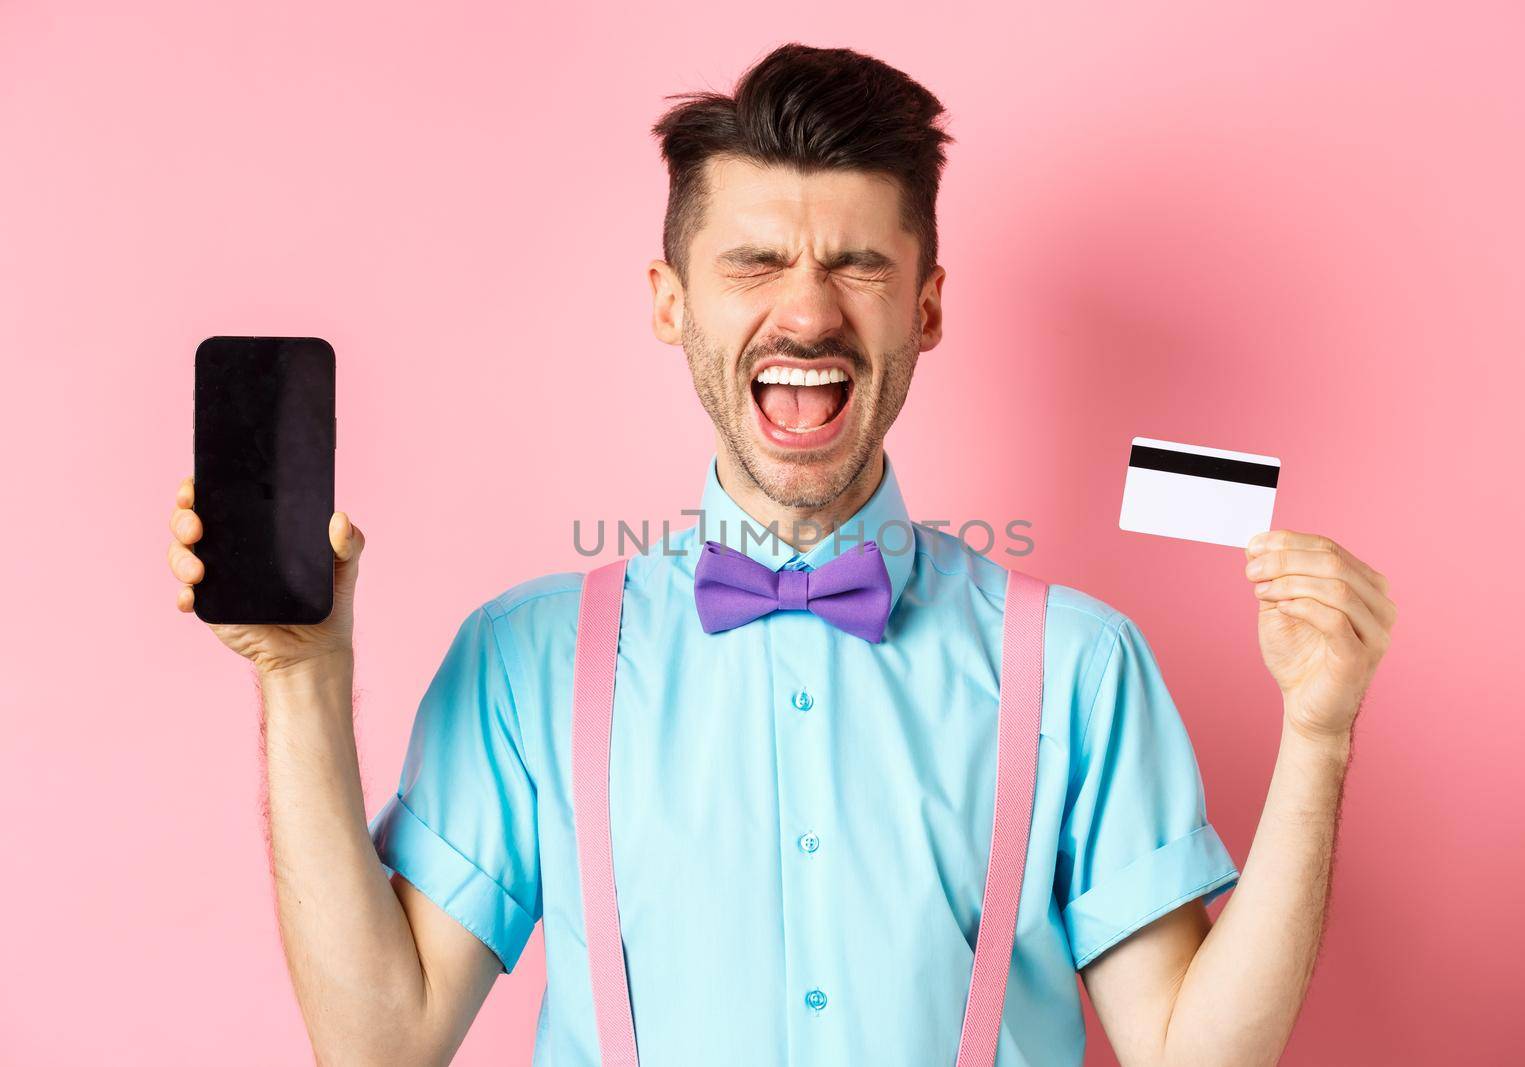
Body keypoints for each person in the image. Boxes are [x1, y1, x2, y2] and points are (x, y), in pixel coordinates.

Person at [166, 42, 1396, 1067]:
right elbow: (378, 1041)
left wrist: (1320, 732)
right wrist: (300, 678)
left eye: (858, 264)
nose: (807, 312)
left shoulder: (1081, 664)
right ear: (670, 299)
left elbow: (1195, 1053)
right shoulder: (523, 656)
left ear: (925, 305)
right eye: (754, 260)